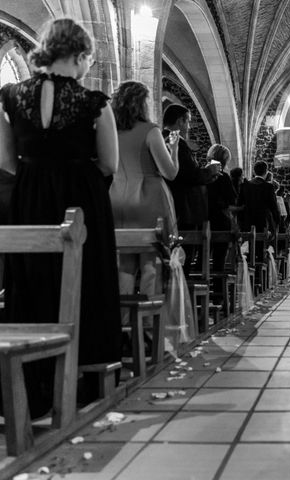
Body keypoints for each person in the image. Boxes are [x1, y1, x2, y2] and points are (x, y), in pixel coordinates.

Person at [0, 18, 122, 416]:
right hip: (82, 201)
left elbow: (6, 161)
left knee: (32, 278)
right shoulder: (94, 103)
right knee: (88, 280)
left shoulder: (10, 97)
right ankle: (88, 377)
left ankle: (32, 383)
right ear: (80, 55)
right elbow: (109, 162)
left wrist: (39, 175)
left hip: (29, 199)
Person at [110, 81, 179, 303]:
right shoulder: (150, 131)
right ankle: (149, 327)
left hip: (118, 198)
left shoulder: (110, 131)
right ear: (141, 104)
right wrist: (174, 150)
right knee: (151, 263)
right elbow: (169, 172)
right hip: (148, 200)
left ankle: (124, 326)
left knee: (124, 264)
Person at [163, 104, 217, 275]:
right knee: (182, 258)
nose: (189, 127)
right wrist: (209, 171)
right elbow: (188, 174)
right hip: (184, 209)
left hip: (179, 207)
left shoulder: (166, 139)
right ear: (180, 121)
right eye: (188, 122)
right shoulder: (174, 140)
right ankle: (180, 294)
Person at [236, 160, 280, 261]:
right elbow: (273, 207)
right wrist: (276, 223)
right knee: (260, 249)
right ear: (266, 172)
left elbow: (240, 205)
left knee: (248, 249)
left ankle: (249, 270)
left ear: (254, 172)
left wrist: (241, 223)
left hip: (247, 223)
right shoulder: (269, 187)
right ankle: (258, 270)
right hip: (262, 223)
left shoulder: (245, 185)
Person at [206, 144, 236, 272]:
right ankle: (218, 287)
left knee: (203, 255)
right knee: (219, 258)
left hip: (204, 219)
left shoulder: (203, 175)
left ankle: (200, 282)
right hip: (221, 221)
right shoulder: (224, 178)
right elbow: (232, 199)